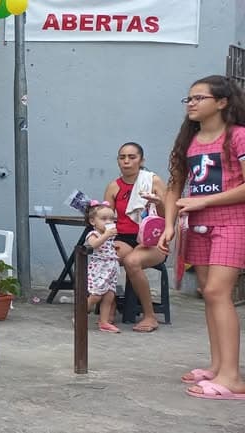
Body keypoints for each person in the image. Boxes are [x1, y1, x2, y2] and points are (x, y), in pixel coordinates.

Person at [159, 75, 245, 400]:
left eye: (199, 98)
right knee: (209, 295)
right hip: (197, 226)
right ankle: (218, 366)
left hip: (232, 224)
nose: (191, 104)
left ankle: (232, 378)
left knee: (217, 292)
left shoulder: (238, 136)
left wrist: (205, 201)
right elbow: (175, 186)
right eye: (189, 99)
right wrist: (168, 225)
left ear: (222, 102)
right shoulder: (190, 140)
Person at [102, 142, 168, 333]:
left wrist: (158, 203)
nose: (126, 161)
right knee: (104, 255)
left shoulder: (153, 181)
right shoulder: (113, 186)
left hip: (152, 239)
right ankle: (110, 304)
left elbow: (169, 215)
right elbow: (106, 218)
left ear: (141, 160)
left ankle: (150, 316)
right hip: (123, 237)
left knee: (132, 262)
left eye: (132, 157)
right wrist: (94, 213)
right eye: (122, 157)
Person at [83, 201, 121, 333]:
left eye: (112, 219)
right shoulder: (93, 234)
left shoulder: (109, 236)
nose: (108, 222)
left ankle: (104, 321)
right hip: (99, 269)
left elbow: (107, 246)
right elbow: (94, 244)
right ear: (93, 221)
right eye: (104, 219)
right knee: (96, 295)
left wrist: (113, 245)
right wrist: (106, 236)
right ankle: (80, 314)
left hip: (110, 268)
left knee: (109, 295)